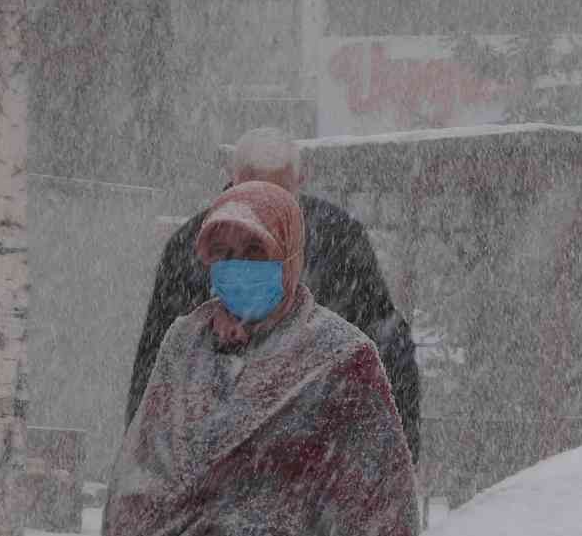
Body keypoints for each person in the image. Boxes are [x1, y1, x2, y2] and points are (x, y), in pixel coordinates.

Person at [78, 181, 420, 536]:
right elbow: (139, 470)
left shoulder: (342, 362)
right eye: (224, 253)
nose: (237, 268)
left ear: (289, 259)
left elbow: (374, 522)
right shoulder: (184, 344)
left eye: (255, 253)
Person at [127, 127, 423, 460]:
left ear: (300, 181)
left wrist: (398, 452)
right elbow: (155, 368)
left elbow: (384, 342)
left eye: (279, 193)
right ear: (233, 179)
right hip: (211, 465)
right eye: (255, 190)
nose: (266, 208)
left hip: (317, 460)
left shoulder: (338, 240)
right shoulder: (191, 247)